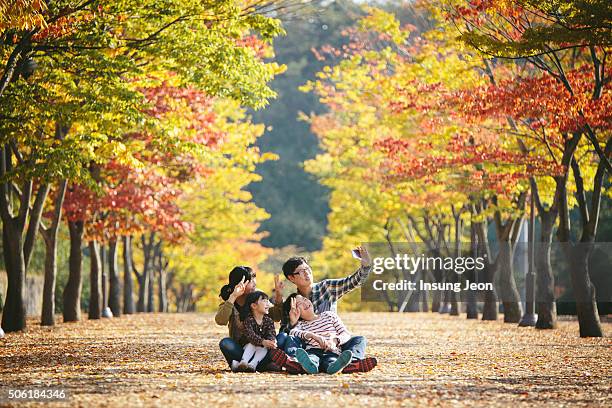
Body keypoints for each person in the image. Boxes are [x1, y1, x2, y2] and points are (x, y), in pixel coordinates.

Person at [280, 246, 377, 372]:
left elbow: (353, 282)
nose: (307, 273)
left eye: (308, 269)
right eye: (301, 271)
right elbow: (287, 332)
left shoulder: (326, 288)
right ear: (291, 278)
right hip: (309, 347)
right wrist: (292, 321)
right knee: (287, 337)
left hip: (333, 343)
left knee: (359, 339)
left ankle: (350, 364)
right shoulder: (293, 302)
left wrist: (365, 266)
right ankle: (296, 363)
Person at [215, 266, 303, 373]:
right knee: (225, 343)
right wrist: (233, 297)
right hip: (242, 351)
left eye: (254, 279)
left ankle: (249, 365)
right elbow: (220, 321)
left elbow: (276, 317)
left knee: (282, 337)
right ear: (239, 283)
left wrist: (279, 296)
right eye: (251, 280)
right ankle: (261, 365)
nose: (255, 283)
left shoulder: (258, 296)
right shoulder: (230, 301)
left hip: (263, 347)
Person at [283, 294, 377, 374]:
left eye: (304, 299)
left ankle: (351, 363)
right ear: (295, 311)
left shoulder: (329, 315)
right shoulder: (301, 325)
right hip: (313, 351)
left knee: (359, 339)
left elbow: (345, 333)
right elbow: (292, 332)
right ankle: (300, 365)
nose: (305, 303)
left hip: (333, 351)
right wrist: (313, 336)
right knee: (311, 359)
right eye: (299, 304)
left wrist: (335, 341)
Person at [231, 291, 277, 372]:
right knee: (252, 345)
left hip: (262, 347)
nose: (267, 303)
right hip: (247, 348)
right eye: (264, 301)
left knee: (264, 348)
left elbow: (271, 332)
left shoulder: (268, 320)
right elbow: (250, 336)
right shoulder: (248, 320)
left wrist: (271, 340)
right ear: (254, 306)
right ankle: (243, 362)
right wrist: (262, 341)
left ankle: (252, 364)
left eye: (267, 301)